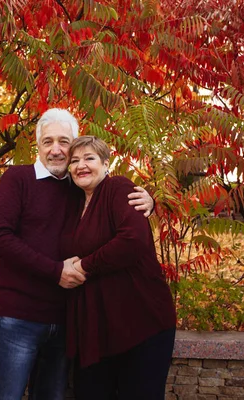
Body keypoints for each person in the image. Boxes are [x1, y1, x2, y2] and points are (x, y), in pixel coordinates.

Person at [0, 109, 155, 400]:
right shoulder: (18, 178)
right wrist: (56, 271)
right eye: (47, 141)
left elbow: (115, 211)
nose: (55, 150)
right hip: (20, 316)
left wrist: (152, 202)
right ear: (37, 146)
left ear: (74, 145)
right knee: (6, 396)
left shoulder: (79, 187)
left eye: (64, 142)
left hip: (67, 319)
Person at [60, 135, 177, 400]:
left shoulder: (119, 188)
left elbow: (132, 241)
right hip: (94, 330)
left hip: (140, 323)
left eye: (89, 158)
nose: (81, 166)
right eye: (74, 160)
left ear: (105, 164)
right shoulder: (74, 202)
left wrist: (83, 266)